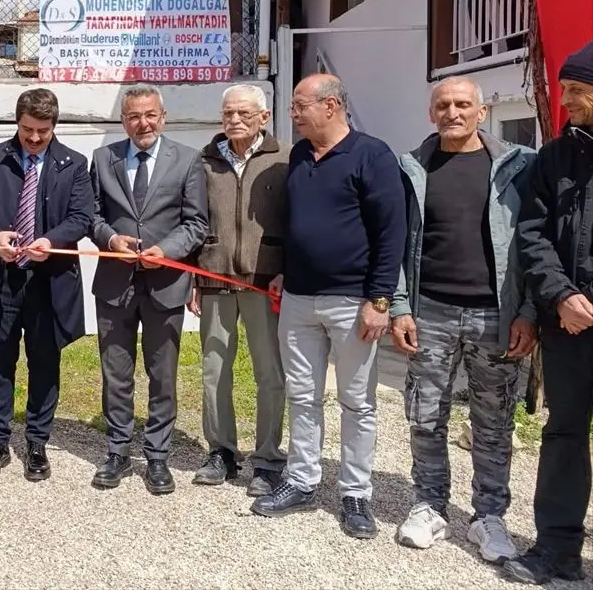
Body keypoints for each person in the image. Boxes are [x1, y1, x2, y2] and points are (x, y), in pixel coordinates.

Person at [251, 74, 405, 540]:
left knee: (356, 401)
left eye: (300, 106)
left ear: (331, 106)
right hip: (298, 299)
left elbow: (391, 233)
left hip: (353, 301)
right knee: (302, 395)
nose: (293, 114)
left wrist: (380, 300)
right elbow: (298, 224)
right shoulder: (300, 154)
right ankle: (301, 480)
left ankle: (355, 493)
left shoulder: (373, 155)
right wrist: (285, 271)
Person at [389, 77, 536, 564]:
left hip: (496, 315)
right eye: (443, 105)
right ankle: (429, 505)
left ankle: (489, 516)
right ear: (431, 113)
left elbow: (533, 243)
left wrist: (528, 312)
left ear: (482, 111)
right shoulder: (412, 168)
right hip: (429, 311)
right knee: (425, 414)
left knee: (493, 421)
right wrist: (399, 306)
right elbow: (395, 244)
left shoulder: (517, 167)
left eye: (462, 104)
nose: (453, 112)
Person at [88, 85, 209, 494]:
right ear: (123, 121)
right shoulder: (102, 159)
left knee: (163, 375)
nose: (143, 123)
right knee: (116, 374)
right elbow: (92, 215)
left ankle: (157, 456)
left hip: (165, 285)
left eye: (150, 114)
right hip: (114, 285)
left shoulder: (188, 160)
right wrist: (110, 239)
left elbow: (196, 222)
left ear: (163, 117)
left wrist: (168, 251)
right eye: (134, 116)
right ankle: (117, 451)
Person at [0, 88, 93, 481]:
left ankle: (37, 442)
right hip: (1, 279)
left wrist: (51, 241)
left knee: (44, 362)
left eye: (43, 130)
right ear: (17, 122)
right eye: (27, 130)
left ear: (54, 125)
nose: (35, 138)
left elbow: (81, 217)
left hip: (49, 281)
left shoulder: (74, 164)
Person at [503, 42, 593, 586]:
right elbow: (533, 235)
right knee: (563, 436)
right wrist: (560, 296)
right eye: (564, 90)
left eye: (577, 90)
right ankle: (557, 552)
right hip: (569, 326)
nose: (566, 101)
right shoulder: (556, 157)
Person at [190, 84, 288, 497]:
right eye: (228, 113)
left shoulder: (285, 160)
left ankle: (268, 459)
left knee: (270, 372)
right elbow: (193, 220)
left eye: (244, 113)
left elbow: (296, 220)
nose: (234, 120)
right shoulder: (203, 161)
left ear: (264, 117)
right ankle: (221, 452)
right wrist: (195, 279)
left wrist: (287, 270)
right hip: (214, 278)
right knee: (214, 370)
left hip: (265, 282)